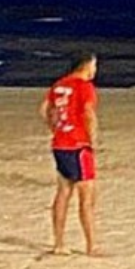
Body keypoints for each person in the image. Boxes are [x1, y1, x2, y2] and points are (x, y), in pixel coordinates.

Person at [42, 53, 103, 256]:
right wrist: (92, 140)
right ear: (87, 65)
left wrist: (55, 129)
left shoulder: (59, 85)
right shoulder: (84, 87)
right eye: (94, 65)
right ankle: (91, 246)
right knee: (86, 198)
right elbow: (88, 113)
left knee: (63, 193)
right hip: (78, 145)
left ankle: (58, 243)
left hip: (60, 144)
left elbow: (46, 110)